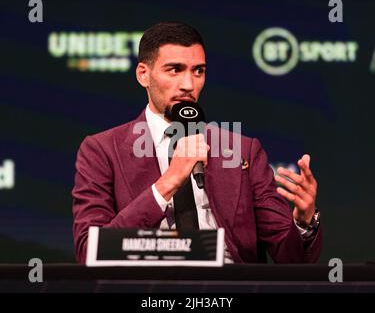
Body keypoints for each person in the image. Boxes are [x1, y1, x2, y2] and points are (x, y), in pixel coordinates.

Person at [72, 21, 322, 264]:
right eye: (175, 70)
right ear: (143, 75)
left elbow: (292, 261)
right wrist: (167, 183)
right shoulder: (102, 150)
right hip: (148, 286)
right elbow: (89, 251)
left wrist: (303, 221)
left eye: (198, 71)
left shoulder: (243, 150)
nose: (188, 85)